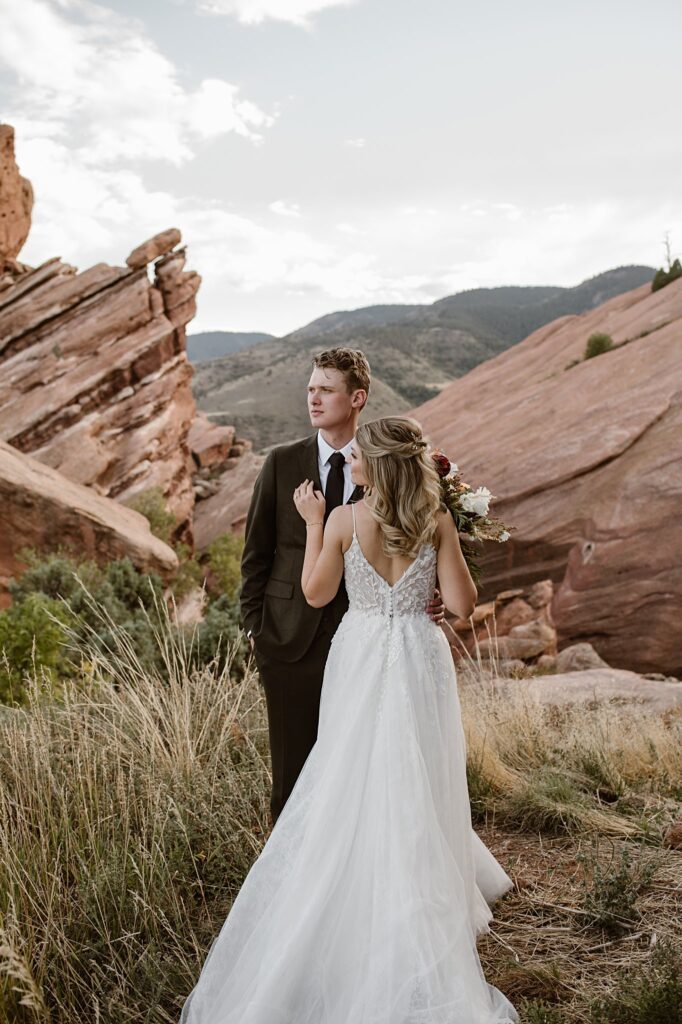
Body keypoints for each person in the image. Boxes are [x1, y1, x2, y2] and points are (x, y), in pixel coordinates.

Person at [180, 416, 519, 1023]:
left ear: (379, 465)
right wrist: (435, 592)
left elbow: (314, 593)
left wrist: (313, 527)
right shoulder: (436, 520)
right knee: (418, 768)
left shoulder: (342, 519)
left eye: (360, 454)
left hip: (359, 654)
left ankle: (352, 888)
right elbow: (464, 607)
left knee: (348, 771)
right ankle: (417, 896)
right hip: (420, 654)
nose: (351, 459)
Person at [240, 347, 444, 823]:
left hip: (367, 647)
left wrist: (426, 597)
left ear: (358, 398)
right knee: (291, 771)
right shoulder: (281, 462)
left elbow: (428, 543)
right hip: (288, 639)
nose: (313, 398)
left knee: (364, 767)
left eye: (326, 390)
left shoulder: (389, 466)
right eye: (311, 388)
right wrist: (255, 628)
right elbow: (256, 554)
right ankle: (290, 878)